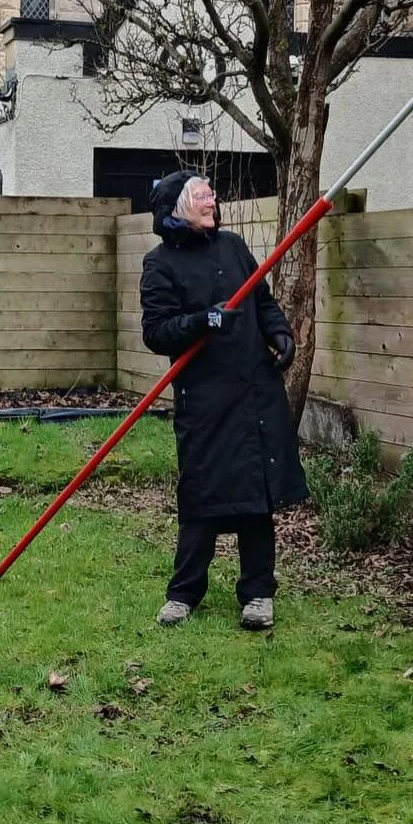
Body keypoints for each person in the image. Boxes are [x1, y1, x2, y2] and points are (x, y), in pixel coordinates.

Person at [140, 170, 307, 631]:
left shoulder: (233, 247)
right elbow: (156, 332)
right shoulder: (160, 265)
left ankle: (257, 593)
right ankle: (183, 594)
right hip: (206, 401)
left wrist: (279, 333)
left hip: (254, 391)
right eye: (201, 196)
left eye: (212, 194)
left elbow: (262, 299)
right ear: (177, 207)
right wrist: (201, 321)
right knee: (202, 495)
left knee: (257, 495)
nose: (212, 201)